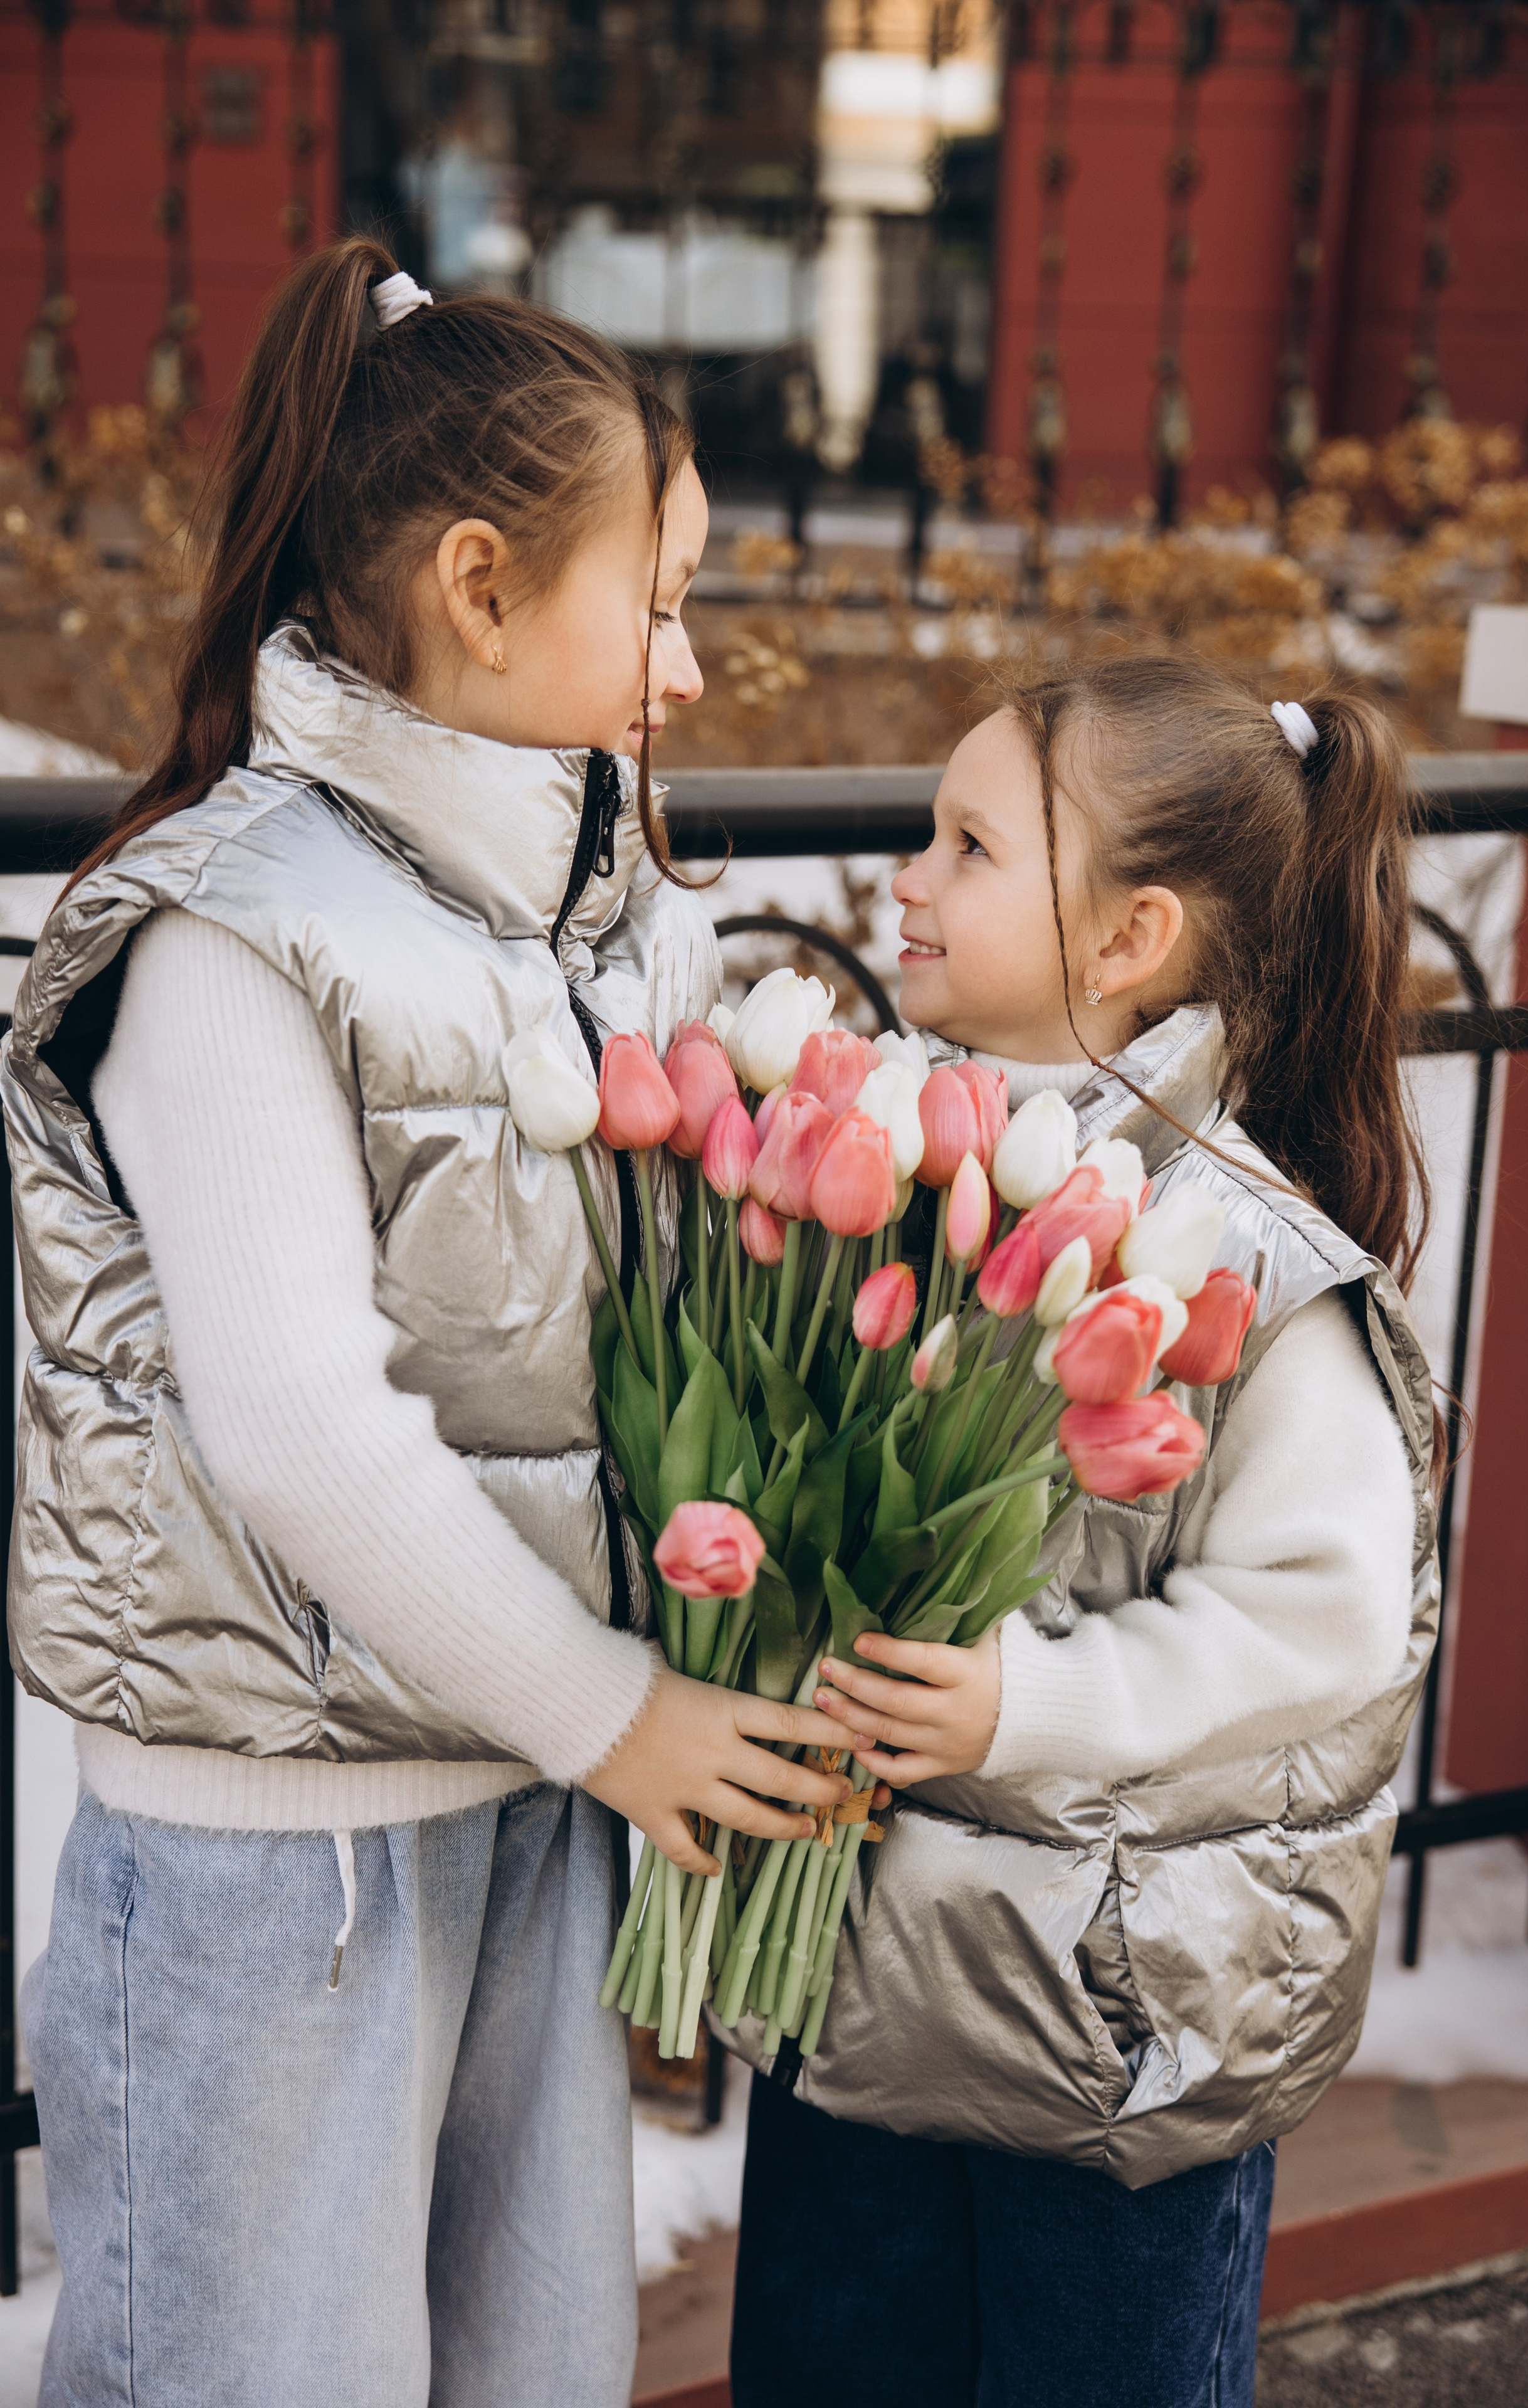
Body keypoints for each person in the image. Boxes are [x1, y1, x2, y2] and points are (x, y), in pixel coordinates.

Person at [8, 238, 849, 2408]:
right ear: (482, 583)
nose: (686, 666)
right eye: (654, 598)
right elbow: (302, 1433)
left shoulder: (592, 931)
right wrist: (617, 1715)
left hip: (520, 1805)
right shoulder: (237, 932)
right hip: (279, 1876)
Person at [727, 656, 1439, 2408]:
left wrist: (1020, 1707)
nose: (907, 875)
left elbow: (1326, 1620)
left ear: (1128, 941)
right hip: (867, 2005)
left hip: (1117, 2050)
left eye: (967, 845)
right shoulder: (897, 1170)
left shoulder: (1255, 1269)